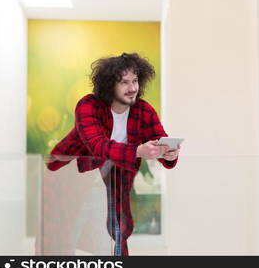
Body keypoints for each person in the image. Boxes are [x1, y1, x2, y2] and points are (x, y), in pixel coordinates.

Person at [46, 52, 180, 256]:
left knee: (114, 238)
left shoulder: (143, 110)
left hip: (111, 185)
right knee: (61, 242)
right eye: (124, 82)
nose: (132, 88)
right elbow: (99, 146)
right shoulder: (88, 106)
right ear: (109, 84)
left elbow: (161, 140)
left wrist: (168, 154)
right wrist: (137, 151)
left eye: (135, 80)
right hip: (68, 180)